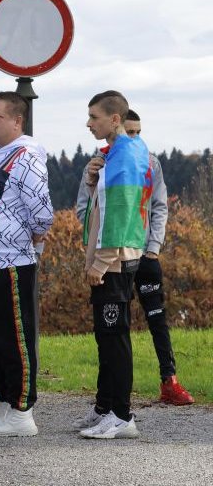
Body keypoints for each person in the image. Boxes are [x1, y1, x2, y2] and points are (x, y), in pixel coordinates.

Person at [74, 109, 194, 406]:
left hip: (143, 253)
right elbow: (84, 210)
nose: (135, 138)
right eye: (130, 132)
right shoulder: (100, 163)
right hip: (115, 255)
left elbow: (159, 206)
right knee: (112, 329)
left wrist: (152, 247)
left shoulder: (149, 162)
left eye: (138, 132)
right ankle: (107, 404)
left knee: (157, 318)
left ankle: (170, 381)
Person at [0, 92, 53, 438]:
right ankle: (5, 402)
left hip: (12, 260)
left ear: (17, 121)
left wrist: (26, 238)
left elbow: (42, 212)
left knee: (14, 338)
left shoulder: (26, 155)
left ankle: (22, 412)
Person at [73, 91, 150, 439]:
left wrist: (101, 262)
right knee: (106, 337)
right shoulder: (118, 153)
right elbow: (103, 206)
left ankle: (121, 415)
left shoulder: (124, 155)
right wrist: (92, 181)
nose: (89, 123)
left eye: (94, 117)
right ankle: (105, 407)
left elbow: (119, 214)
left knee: (115, 338)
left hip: (116, 261)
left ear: (114, 119)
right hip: (116, 258)